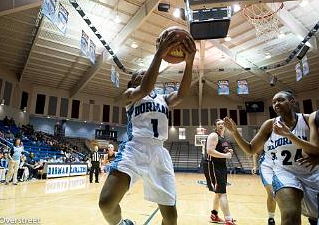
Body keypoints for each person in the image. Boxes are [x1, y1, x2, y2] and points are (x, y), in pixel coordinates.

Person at [98, 29, 196, 225]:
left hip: (159, 153)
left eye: (146, 73)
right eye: (139, 74)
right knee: (106, 203)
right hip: (134, 149)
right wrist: (159, 53)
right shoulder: (130, 96)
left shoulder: (163, 98)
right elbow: (145, 88)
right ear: (132, 82)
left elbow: (182, 95)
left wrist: (190, 61)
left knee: (171, 217)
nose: (143, 75)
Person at [224, 91, 319, 225]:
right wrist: (234, 133)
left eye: (280, 100)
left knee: (315, 217)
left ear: (292, 102)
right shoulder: (270, 124)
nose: (276, 104)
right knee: (290, 215)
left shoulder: (308, 119)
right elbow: (250, 149)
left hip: (313, 174)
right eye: (274, 102)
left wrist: (290, 136)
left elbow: (316, 148)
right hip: (285, 173)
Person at [203, 119, 236, 225]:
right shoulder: (214, 135)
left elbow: (223, 148)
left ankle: (214, 215)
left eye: (222, 123)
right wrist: (226, 156)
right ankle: (228, 220)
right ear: (215, 126)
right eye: (218, 124)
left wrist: (228, 151)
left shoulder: (223, 138)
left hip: (221, 165)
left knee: (219, 191)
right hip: (212, 165)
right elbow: (210, 151)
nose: (221, 125)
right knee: (222, 192)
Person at [252, 140, 277, 225]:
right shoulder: (266, 138)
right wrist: (255, 166)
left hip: (282, 167)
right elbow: (256, 153)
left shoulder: (288, 135)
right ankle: (271, 218)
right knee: (272, 192)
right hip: (267, 167)